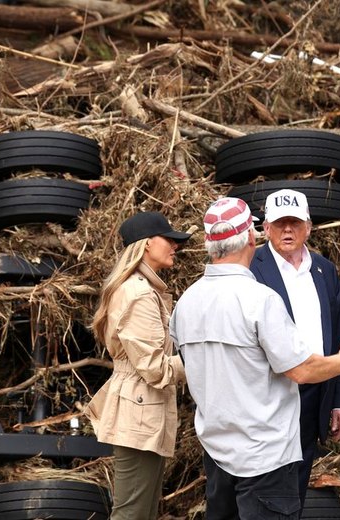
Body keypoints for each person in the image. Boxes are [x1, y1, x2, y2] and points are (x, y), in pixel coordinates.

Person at [170, 197, 340, 520]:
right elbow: (300, 369)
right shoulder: (260, 300)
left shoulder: (185, 303)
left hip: (217, 452)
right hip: (265, 457)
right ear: (255, 237)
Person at [85, 211, 191, 520]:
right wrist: (202, 359)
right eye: (169, 239)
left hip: (141, 408)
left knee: (140, 512)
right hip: (139, 410)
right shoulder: (139, 294)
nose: (175, 246)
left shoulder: (143, 289)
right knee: (132, 513)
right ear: (146, 244)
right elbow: (155, 369)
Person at [248, 188, 340, 506]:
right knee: (265, 490)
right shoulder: (251, 268)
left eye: (294, 223)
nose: (287, 230)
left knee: (298, 486)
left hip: (314, 393)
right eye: (279, 223)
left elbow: (338, 340)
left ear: (308, 226)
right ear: (266, 228)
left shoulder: (325, 270)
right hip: (269, 394)